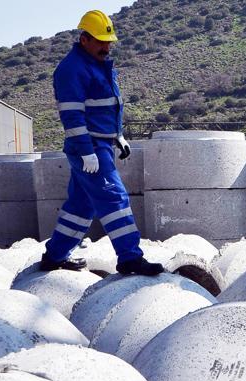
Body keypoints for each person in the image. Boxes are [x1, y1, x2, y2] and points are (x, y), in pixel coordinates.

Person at [40, 10, 163, 276]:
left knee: (80, 206)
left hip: (101, 144)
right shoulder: (71, 69)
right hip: (89, 147)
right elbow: (72, 115)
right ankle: (130, 258)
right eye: (100, 41)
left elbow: (105, 108)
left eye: (109, 42)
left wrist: (117, 136)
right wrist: (87, 152)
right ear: (84, 39)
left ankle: (54, 256)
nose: (106, 47)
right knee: (114, 198)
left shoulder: (99, 65)